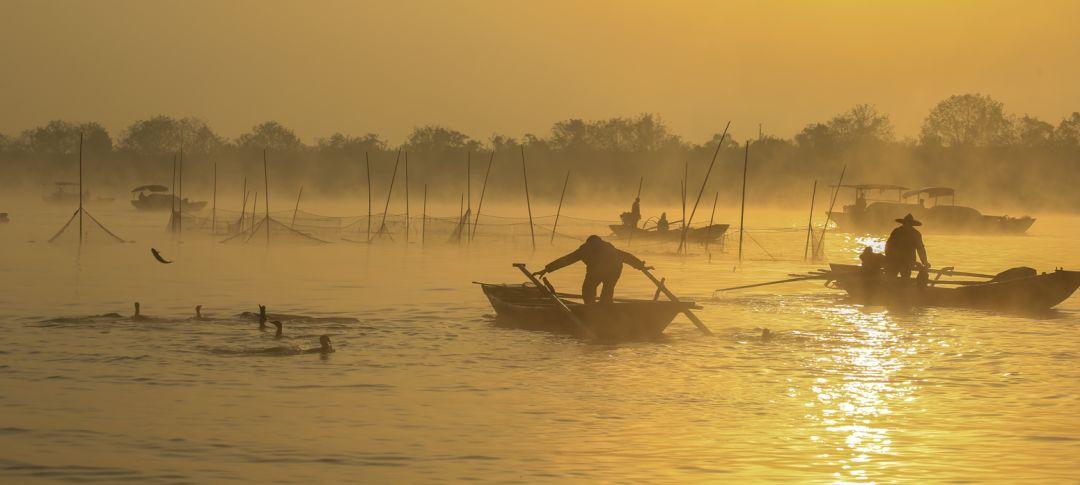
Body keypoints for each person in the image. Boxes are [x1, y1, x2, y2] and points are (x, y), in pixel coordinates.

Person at [533, 235, 649, 304]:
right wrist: (547, 269)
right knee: (594, 290)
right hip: (604, 271)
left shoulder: (607, 249)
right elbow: (567, 260)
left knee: (598, 290)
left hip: (611, 271)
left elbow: (626, 256)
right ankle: (595, 307)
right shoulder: (586, 250)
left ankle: (599, 308)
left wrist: (640, 265)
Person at [884, 213, 929, 279]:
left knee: (905, 279)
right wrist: (889, 257)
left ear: (911, 225)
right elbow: (888, 245)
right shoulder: (897, 231)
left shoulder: (915, 234)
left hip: (907, 262)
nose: (907, 225)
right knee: (890, 278)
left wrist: (925, 262)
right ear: (903, 223)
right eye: (906, 223)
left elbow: (920, 249)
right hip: (895, 260)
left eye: (909, 224)